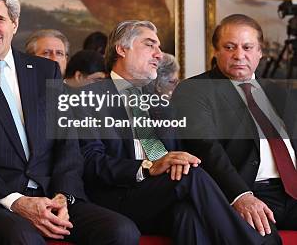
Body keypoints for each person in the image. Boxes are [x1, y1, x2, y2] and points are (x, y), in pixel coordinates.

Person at [0, 0, 139, 245]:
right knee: (24, 238)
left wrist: (64, 196)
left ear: (14, 24)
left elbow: (67, 143)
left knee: (121, 231)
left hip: (53, 193)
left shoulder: (46, 71)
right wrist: (18, 202)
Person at [79, 20, 264, 245]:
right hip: (115, 196)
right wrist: (147, 167)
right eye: (150, 45)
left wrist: (177, 161)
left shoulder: (161, 102)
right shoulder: (88, 97)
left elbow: (177, 153)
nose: (159, 54)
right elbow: (90, 161)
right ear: (121, 48)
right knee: (190, 175)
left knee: (187, 214)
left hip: (159, 195)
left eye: (159, 47)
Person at [172, 14, 297, 243]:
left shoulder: (278, 92)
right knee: (265, 239)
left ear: (260, 52)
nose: (239, 55)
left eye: (248, 47)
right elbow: (205, 147)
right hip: (249, 190)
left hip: (292, 191)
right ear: (216, 51)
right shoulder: (195, 90)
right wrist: (240, 195)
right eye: (229, 47)